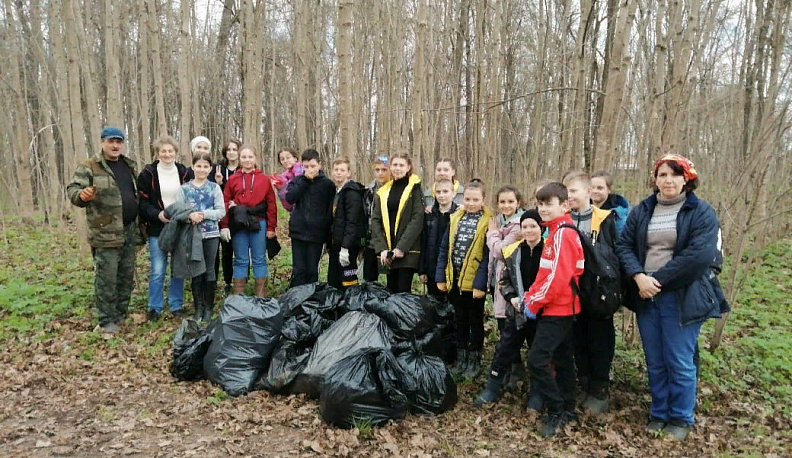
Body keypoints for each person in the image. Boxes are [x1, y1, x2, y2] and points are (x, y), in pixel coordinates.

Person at [615, 154, 723, 441]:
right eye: (662, 174)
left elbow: (698, 256)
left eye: (675, 175)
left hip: (682, 296)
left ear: (686, 179)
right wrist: (639, 276)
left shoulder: (700, 212)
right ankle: (659, 412)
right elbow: (624, 245)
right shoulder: (643, 209)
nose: (668, 180)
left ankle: (681, 418)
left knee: (679, 359)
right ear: (655, 179)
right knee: (655, 359)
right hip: (645, 294)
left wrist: (657, 280)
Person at [522, 182, 583, 437]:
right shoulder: (553, 232)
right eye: (540, 204)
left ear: (564, 205)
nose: (543, 209)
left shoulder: (563, 234)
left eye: (549, 204)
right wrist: (529, 296)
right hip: (556, 307)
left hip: (559, 310)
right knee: (562, 359)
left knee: (537, 360)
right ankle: (568, 407)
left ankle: (557, 409)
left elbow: (559, 278)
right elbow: (543, 272)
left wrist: (534, 303)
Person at [67, 127, 139, 334]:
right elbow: (73, 190)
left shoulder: (128, 166)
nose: (115, 145)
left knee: (125, 276)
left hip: (128, 230)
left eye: (119, 141)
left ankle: (120, 315)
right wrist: (83, 195)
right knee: (107, 278)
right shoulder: (90, 166)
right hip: (105, 232)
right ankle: (106, 321)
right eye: (111, 141)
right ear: (102, 143)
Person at [564, 171, 620, 415]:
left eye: (574, 191)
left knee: (600, 340)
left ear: (588, 192)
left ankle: (599, 389)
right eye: (566, 192)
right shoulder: (563, 219)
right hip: (570, 292)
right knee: (578, 338)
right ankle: (584, 382)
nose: (569, 196)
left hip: (598, 292)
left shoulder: (605, 218)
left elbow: (615, 255)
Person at [475, 209, 544, 407]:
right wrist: (512, 298)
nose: (529, 230)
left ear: (541, 228)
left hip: (541, 312)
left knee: (538, 353)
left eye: (533, 226)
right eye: (525, 227)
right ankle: (493, 386)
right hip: (516, 311)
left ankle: (538, 392)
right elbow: (503, 280)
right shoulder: (512, 251)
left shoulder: (549, 250)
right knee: (505, 349)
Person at [436, 180, 492, 379]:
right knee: (459, 319)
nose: (471, 203)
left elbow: (487, 256)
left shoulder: (488, 221)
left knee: (475, 321)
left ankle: (474, 358)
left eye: (475, 199)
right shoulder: (456, 218)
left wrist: (480, 284)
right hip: (455, 280)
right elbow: (445, 248)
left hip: (474, 284)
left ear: (483, 200)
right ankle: (460, 359)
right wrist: (441, 276)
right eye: (467, 199)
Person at [138, 135, 193, 322]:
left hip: (179, 225)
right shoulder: (147, 174)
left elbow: (193, 195)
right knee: (158, 268)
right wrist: (157, 215)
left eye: (170, 151)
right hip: (157, 226)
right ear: (158, 153)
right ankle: (154, 307)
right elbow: (143, 202)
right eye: (163, 151)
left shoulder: (185, 172)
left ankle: (176, 305)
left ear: (176, 153)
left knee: (178, 267)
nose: (167, 154)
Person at [220, 144, 277, 297]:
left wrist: (271, 227)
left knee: (259, 259)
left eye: (250, 157)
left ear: (255, 158)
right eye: (244, 157)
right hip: (239, 224)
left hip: (259, 222)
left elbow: (271, 204)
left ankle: (261, 295)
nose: (247, 160)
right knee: (240, 259)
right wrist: (224, 225)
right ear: (239, 159)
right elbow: (225, 202)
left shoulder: (264, 179)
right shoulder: (232, 179)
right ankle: (239, 296)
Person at [175, 151, 226, 321]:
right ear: (193, 167)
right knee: (196, 270)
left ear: (210, 168)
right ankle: (198, 307)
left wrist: (203, 214)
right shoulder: (184, 189)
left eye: (205, 167)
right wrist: (190, 216)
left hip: (211, 234)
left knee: (210, 269)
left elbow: (221, 211)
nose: (202, 170)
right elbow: (178, 211)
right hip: (192, 235)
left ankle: (209, 307)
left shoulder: (214, 188)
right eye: (199, 166)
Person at [370, 153, 425, 293]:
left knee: (403, 293)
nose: (398, 168)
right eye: (395, 165)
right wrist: (382, 248)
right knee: (390, 292)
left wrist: (401, 248)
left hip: (407, 252)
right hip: (388, 251)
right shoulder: (383, 191)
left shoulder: (415, 189)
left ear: (408, 167)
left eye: (401, 165)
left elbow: (417, 219)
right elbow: (376, 220)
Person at [285, 149, 336, 287]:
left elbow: (330, 210)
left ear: (320, 165)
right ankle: (298, 298)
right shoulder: (298, 181)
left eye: (313, 166)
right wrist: (305, 181)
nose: (310, 170)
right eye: (306, 167)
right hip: (298, 231)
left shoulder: (328, 185)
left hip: (317, 234)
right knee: (299, 269)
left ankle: (312, 298)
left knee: (312, 270)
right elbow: (289, 198)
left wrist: (327, 234)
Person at [327, 158, 365, 289]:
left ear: (348, 173)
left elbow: (352, 222)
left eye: (342, 170)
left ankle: (350, 308)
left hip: (347, 247)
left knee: (348, 282)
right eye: (336, 170)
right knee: (334, 281)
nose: (338, 173)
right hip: (335, 244)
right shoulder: (336, 192)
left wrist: (346, 248)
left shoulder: (351, 193)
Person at [210, 139, 242, 294]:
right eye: (228, 149)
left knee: (241, 250)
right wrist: (219, 183)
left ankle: (242, 280)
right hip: (223, 214)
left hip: (241, 214)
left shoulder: (245, 167)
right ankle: (227, 281)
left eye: (234, 149)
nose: (231, 152)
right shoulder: (218, 169)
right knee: (226, 250)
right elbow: (212, 191)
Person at [419, 179, 458, 298]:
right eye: (438, 192)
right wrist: (422, 270)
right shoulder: (429, 215)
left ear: (453, 193)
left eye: (445, 191)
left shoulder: (458, 215)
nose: (441, 195)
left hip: (452, 270)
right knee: (434, 303)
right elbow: (423, 242)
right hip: (432, 269)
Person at [362, 156, 391, 282]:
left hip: (390, 242)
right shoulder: (369, 191)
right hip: (371, 243)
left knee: (393, 283)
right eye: (377, 170)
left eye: (384, 170)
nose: (380, 173)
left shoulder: (396, 190)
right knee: (369, 280)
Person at [273, 148, 304, 212]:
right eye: (282, 159)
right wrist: (280, 188)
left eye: (288, 157)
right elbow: (288, 205)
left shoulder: (304, 169)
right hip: (295, 213)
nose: (285, 161)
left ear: (295, 158)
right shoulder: (283, 178)